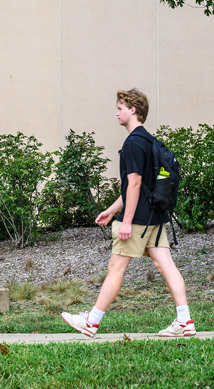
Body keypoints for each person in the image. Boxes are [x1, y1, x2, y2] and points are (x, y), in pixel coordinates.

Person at [60, 89, 195, 338]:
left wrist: (127, 221)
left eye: (120, 108)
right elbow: (140, 186)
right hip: (155, 215)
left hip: (139, 219)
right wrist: (111, 211)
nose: (117, 112)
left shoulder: (132, 143)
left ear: (133, 110)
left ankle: (92, 321)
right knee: (165, 264)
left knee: (116, 267)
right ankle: (185, 321)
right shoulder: (149, 140)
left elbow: (134, 185)